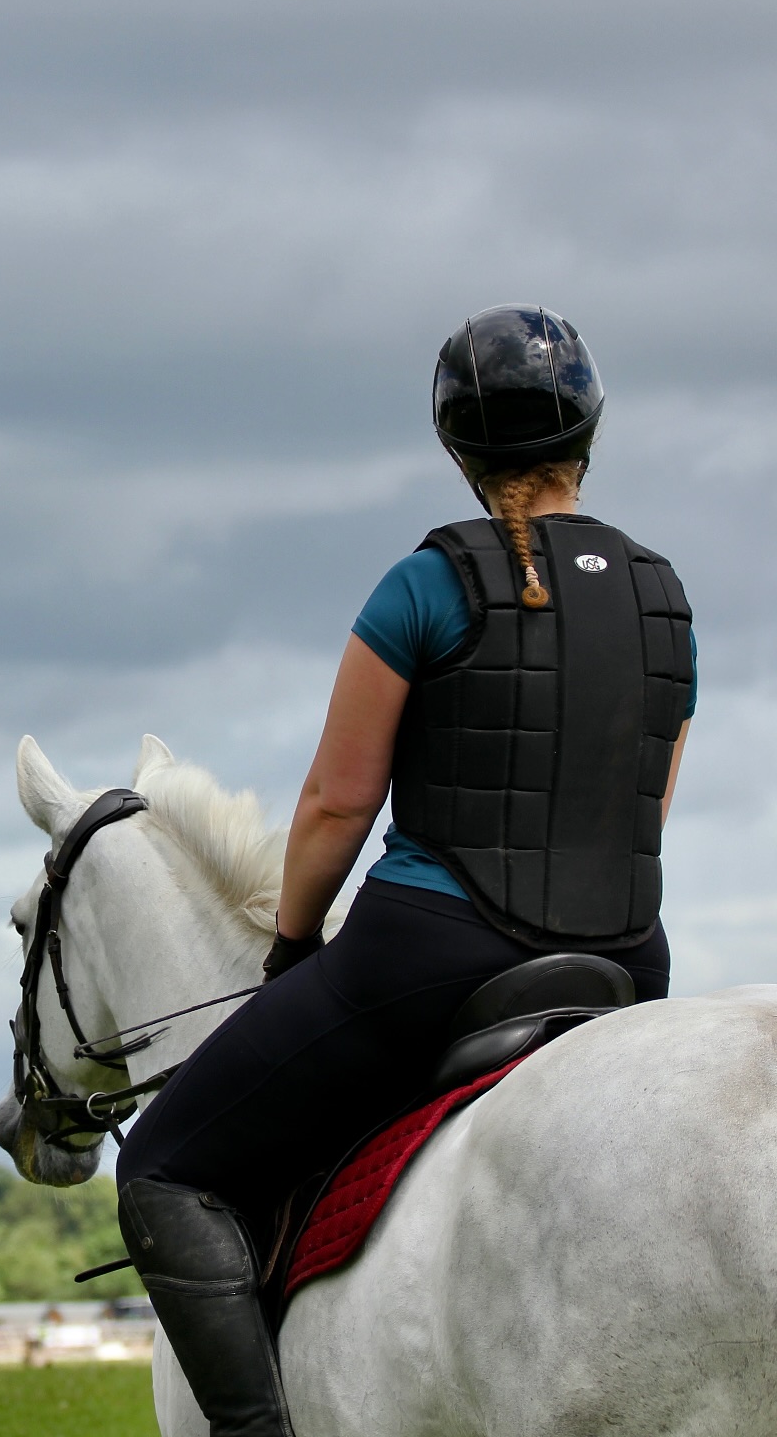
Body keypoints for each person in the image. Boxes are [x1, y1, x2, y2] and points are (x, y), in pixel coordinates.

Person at [114, 305, 695, 1437]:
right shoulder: (661, 595)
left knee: (166, 1171)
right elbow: (647, 808)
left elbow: (337, 801)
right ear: (589, 431)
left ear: (459, 449)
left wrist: (291, 946)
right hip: (627, 957)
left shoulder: (425, 585)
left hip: (434, 952)